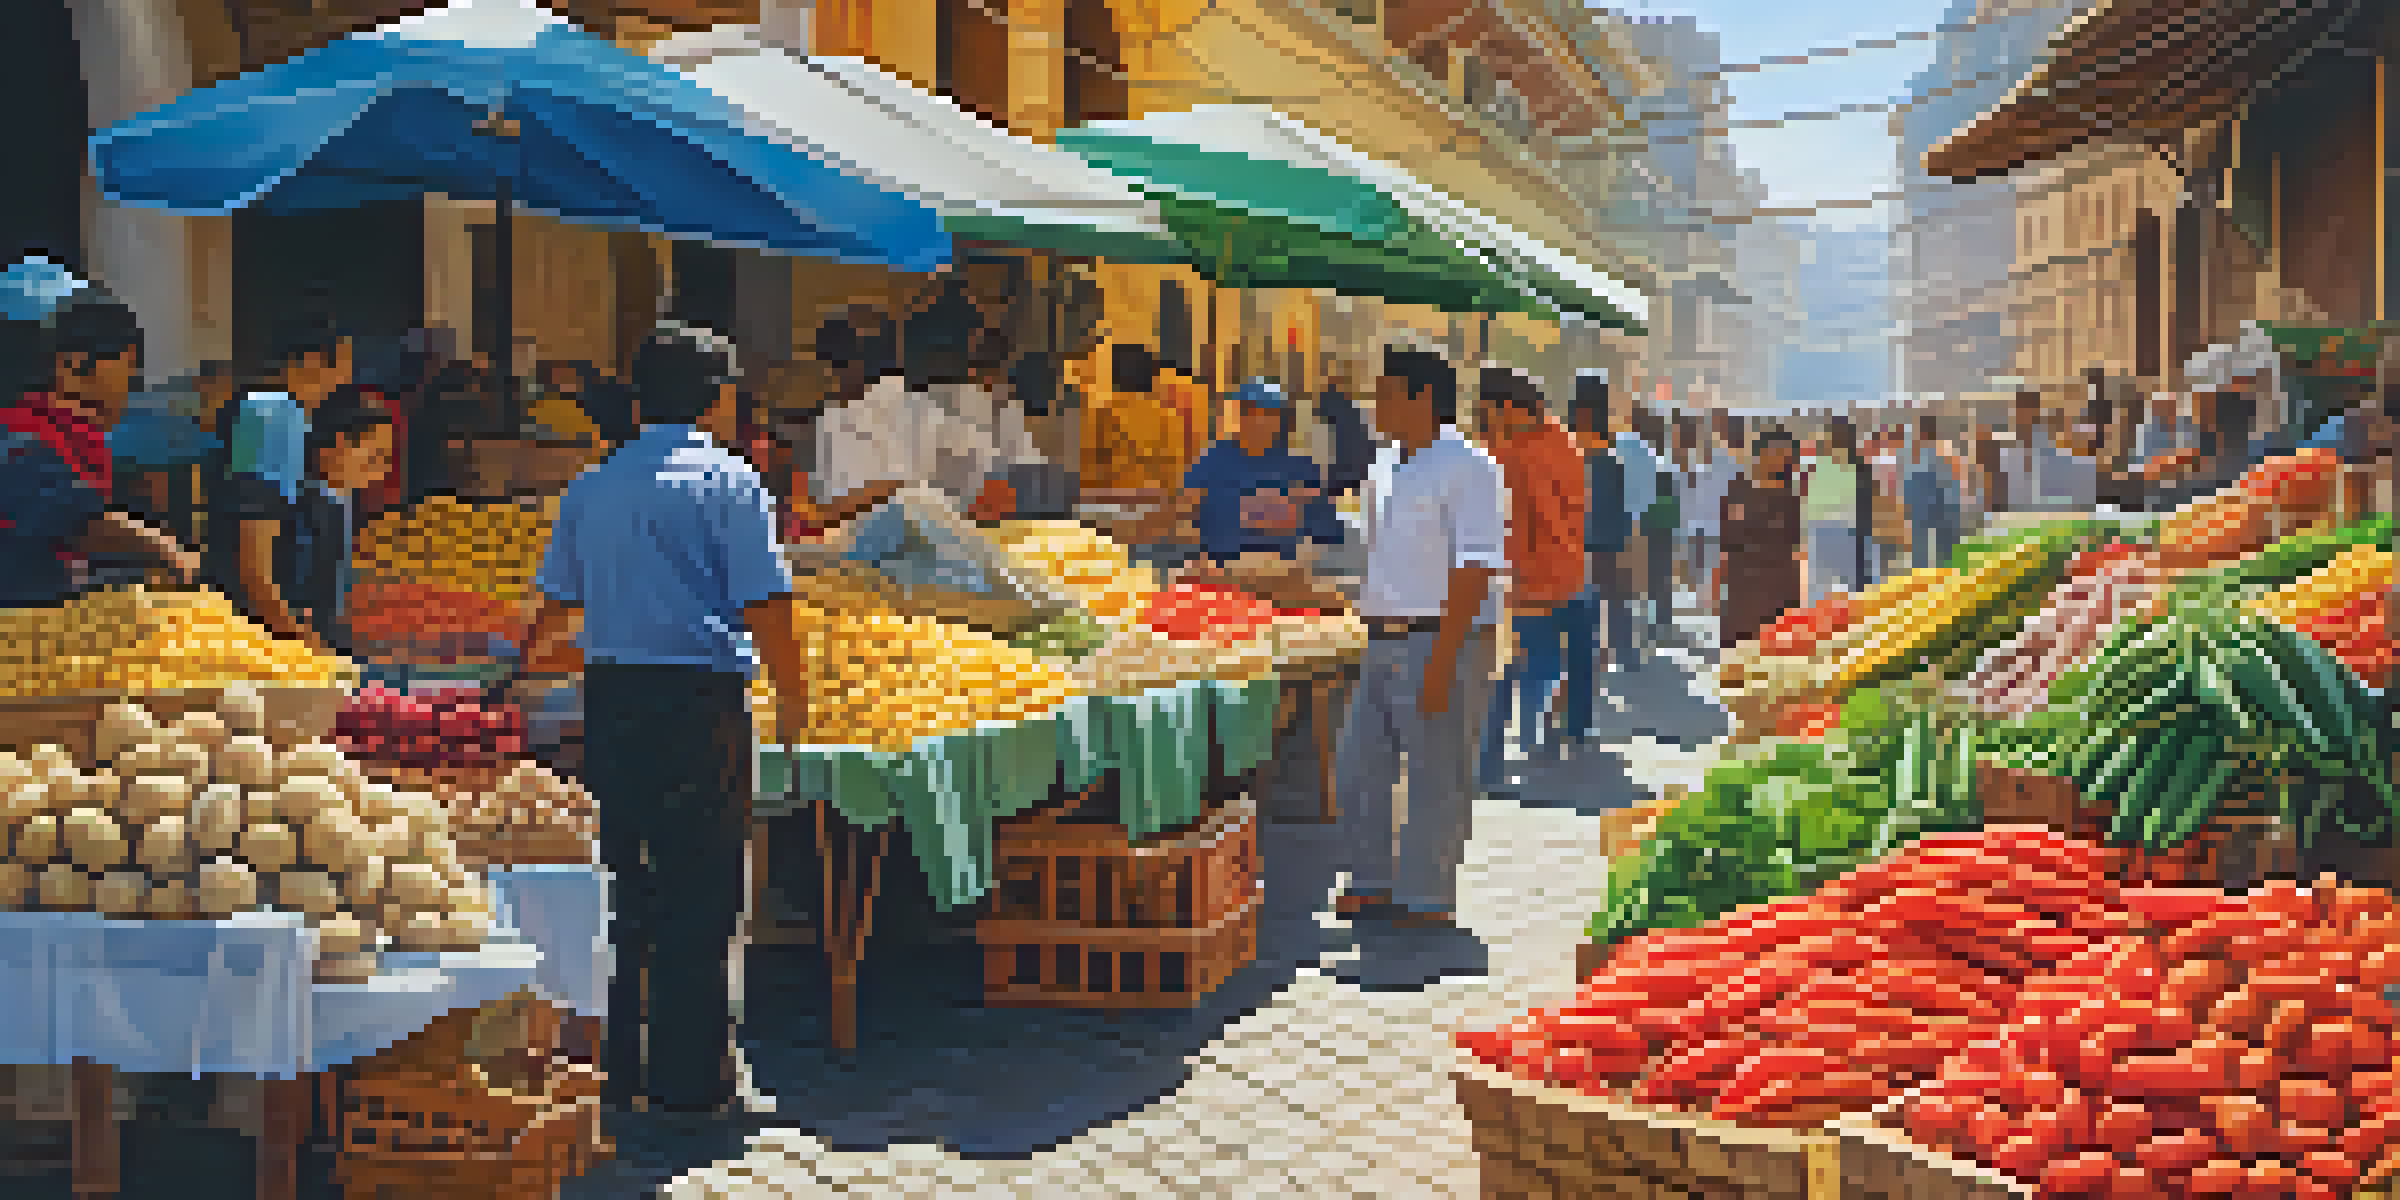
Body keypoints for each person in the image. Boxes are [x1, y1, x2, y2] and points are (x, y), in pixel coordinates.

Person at [519, 322, 805, 1117]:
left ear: (640, 401)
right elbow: (767, 603)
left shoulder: (593, 485)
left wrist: (519, 669)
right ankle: (690, 1080)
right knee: (701, 886)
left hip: (609, 698)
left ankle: (615, 1069)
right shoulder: (731, 482)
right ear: (719, 400)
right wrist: (793, 697)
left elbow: (552, 612)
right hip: (699, 702)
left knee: (620, 882)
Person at [1335, 348, 1505, 934]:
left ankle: (1428, 893)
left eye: (1386, 395)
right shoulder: (1383, 464)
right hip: (1382, 636)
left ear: (1422, 399)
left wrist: (1444, 660)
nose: (1375, 405)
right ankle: (1370, 879)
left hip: (1442, 638)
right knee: (1360, 764)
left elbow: (1476, 567)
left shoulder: (1470, 467)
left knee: (1437, 771)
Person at [0, 283, 198, 607]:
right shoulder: (19, 440)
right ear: (74, 367)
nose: (130, 386)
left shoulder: (74, 437)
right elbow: (75, 521)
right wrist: (168, 551)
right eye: (128, 368)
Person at [1130, 379, 1345, 604]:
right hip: (1219, 579)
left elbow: (1326, 532)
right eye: (1250, 412)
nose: (1258, 421)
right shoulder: (1213, 459)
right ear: (1239, 416)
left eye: (1267, 413)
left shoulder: (1300, 467)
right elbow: (1179, 512)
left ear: (1280, 419)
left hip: (1280, 582)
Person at [1476, 367, 1586, 792]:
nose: (1486, 422)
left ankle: (1489, 767)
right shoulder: (1563, 442)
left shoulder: (1518, 453)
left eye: (1488, 412)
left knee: (1499, 678)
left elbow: (1527, 523)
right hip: (1560, 579)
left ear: (1509, 409)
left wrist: (1514, 584)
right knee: (1538, 670)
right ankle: (1534, 746)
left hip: (1524, 582)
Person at [211, 317, 355, 637]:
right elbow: (253, 554)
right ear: (316, 362)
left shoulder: (267, 410)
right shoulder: (273, 416)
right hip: (260, 626)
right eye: (345, 364)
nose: (347, 379)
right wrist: (293, 636)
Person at [274, 385, 395, 654]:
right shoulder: (296, 505)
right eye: (376, 456)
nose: (384, 469)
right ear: (340, 443)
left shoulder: (343, 496)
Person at [1560, 376, 1625, 741]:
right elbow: (1616, 523)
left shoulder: (1561, 454)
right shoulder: (1609, 461)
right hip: (1595, 560)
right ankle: (1577, 719)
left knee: (1559, 640)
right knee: (1584, 642)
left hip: (1562, 557)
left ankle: (1561, 711)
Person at [1716, 429, 1804, 650]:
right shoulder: (1738, 490)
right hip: (1742, 589)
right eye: (1776, 453)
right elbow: (1726, 541)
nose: (1781, 461)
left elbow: (1796, 548)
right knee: (1739, 650)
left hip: (1778, 588)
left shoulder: (1791, 498)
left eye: (1787, 456)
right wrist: (1718, 582)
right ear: (1761, 454)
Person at [1610, 409, 1659, 669]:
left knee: (1603, 590)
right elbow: (1649, 498)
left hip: (1604, 523)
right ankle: (1627, 651)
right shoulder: (1648, 454)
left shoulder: (1611, 445)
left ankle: (1604, 650)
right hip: (1635, 526)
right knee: (1627, 591)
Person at [1800, 420, 1866, 606]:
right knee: (1842, 590)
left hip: (1835, 530)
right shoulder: (1850, 464)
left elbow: (1808, 501)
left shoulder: (1822, 464)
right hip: (1836, 530)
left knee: (1825, 590)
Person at [1903, 415, 1961, 570]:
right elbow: (1952, 485)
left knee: (1922, 555)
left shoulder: (1914, 455)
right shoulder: (1944, 453)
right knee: (1946, 553)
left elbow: (1909, 484)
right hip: (1939, 508)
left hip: (1923, 509)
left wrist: (1908, 506)